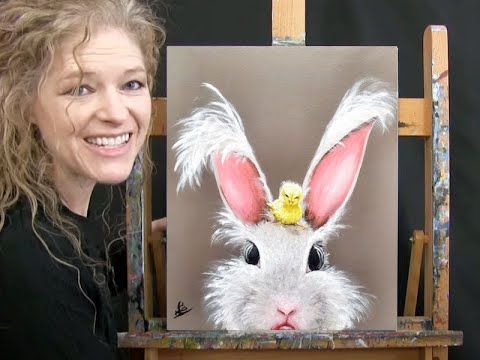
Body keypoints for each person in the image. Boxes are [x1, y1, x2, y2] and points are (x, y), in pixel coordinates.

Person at [0, 0, 165, 358]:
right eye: (80, 89)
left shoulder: (45, 229)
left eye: (132, 84)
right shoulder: (27, 265)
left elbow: (84, 273)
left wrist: (140, 250)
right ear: (23, 102)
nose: (115, 113)